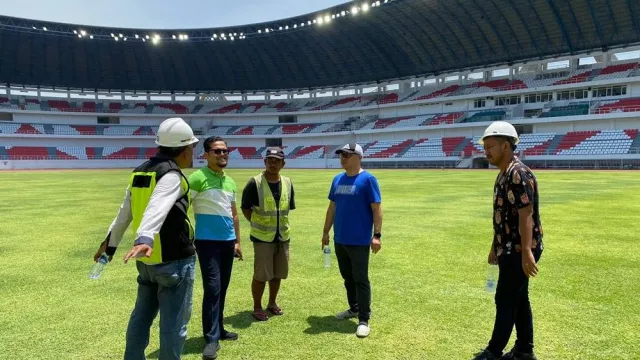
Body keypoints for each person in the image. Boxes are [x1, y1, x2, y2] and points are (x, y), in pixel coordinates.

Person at [92, 117, 199, 360]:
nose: (193, 152)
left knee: (140, 318)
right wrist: (145, 239)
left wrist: (109, 245)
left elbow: (124, 213)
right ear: (184, 150)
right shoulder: (171, 174)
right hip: (173, 261)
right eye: (192, 147)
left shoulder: (140, 171)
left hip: (148, 264)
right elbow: (157, 207)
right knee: (173, 325)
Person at [473, 121, 544, 360]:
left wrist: (526, 252)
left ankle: (494, 351)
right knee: (518, 298)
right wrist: (495, 245)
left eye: (491, 146)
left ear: (506, 146)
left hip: (520, 249)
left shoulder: (517, 174)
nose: (487, 151)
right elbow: (502, 215)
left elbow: (526, 214)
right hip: (508, 247)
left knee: (505, 297)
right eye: (485, 147)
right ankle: (524, 349)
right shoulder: (503, 175)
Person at [189, 136, 242, 360]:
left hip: (228, 242)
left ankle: (219, 329)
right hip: (207, 242)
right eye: (218, 151)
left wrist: (238, 241)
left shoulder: (229, 181)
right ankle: (210, 339)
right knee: (213, 289)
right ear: (206, 154)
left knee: (223, 287)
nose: (223, 154)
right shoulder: (197, 178)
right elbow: (182, 207)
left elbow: (235, 214)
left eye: (225, 151)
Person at [321, 143, 382, 338]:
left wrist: (377, 235)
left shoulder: (368, 179)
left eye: (347, 155)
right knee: (347, 277)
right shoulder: (337, 179)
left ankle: (364, 319)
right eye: (341, 155)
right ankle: (353, 308)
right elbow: (332, 208)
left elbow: (376, 209)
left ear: (358, 157)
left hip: (359, 240)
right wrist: (325, 232)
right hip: (341, 239)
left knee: (360, 279)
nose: (343, 158)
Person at [241, 147, 295, 322]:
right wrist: (259, 224)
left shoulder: (287, 182)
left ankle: (272, 303)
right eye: (270, 160)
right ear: (265, 162)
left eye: (277, 160)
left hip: (283, 236)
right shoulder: (254, 183)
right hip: (262, 238)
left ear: (283, 164)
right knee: (261, 275)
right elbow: (245, 209)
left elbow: (287, 209)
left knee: (278, 273)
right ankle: (257, 306)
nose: (273, 163)